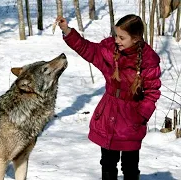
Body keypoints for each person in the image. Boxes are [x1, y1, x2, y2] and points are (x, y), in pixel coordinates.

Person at [56, 14, 161, 180]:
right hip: (109, 116)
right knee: (107, 162)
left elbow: (152, 93)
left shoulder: (148, 60)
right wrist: (68, 31)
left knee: (130, 165)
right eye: (116, 35)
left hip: (130, 121)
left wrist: (140, 115)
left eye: (122, 37)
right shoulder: (110, 50)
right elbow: (87, 49)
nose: (117, 40)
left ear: (135, 38)